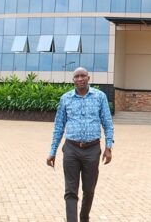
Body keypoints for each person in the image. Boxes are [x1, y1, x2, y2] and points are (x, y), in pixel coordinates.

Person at [47, 67, 114, 222]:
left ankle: (84, 217)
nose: (80, 78)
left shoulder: (100, 97)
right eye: (76, 76)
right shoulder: (66, 99)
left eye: (83, 76)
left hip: (92, 150)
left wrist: (108, 147)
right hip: (71, 149)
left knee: (89, 190)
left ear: (88, 78)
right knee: (70, 190)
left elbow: (108, 123)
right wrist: (52, 152)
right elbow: (58, 127)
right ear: (73, 80)